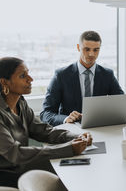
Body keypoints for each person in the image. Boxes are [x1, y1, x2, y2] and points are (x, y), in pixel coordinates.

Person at [0, 57, 92, 188]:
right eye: (22, 76)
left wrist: (77, 137)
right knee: (68, 174)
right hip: (6, 175)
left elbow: (44, 132)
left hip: (21, 167)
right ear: (4, 82)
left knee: (79, 166)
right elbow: (16, 153)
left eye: (28, 73)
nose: (30, 79)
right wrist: (68, 148)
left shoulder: (20, 103)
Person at [40, 31, 126, 126]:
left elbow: (121, 101)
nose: (91, 54)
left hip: (101, 129)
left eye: (96, 50)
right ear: (78, 47)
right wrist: (66, 119)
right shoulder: (61, 75)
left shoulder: (107, 75)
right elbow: (45, 114)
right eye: (87, 49)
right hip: (71, 131)